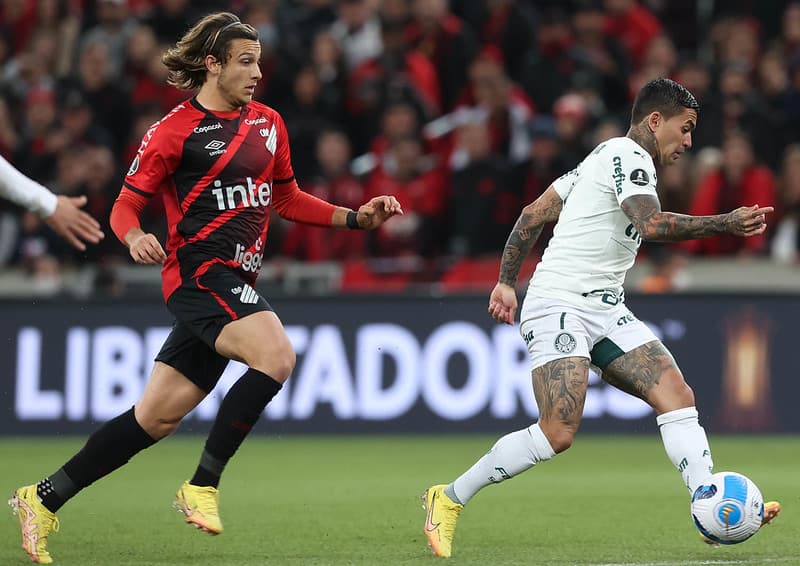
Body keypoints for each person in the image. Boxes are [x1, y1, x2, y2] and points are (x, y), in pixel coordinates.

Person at [9, 12, 402, 565]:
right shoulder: (173, 131)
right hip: (198, 276)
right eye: (245, 62)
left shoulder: (269, 124)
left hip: (235, 280)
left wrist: (355, 219)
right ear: (212, 65)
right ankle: (202, 486)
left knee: (155, 418)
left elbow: (286, 198)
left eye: (259, 62)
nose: (257, 73)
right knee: (278, 355)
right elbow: (126, 203)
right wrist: (133, 235)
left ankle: (41, 498)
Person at [421, 78, 781, 558]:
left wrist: (507, 281)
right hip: (559, 301)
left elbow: (534, 212)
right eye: (686, 128)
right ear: (656, 120)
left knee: (676, 395)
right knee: (558, 432)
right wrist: (724, 222)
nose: (689, 141)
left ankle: (706, 504)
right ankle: (447, 498)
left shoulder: (600, 158)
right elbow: (650, 225)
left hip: (605, 307)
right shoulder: (628, 158)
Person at [0, 154, 103, 251]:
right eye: (64, 168)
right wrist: (50, 204)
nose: (68, 173)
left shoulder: (92, 194)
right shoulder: (50, 191)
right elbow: (29, 227)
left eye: (71, 168)